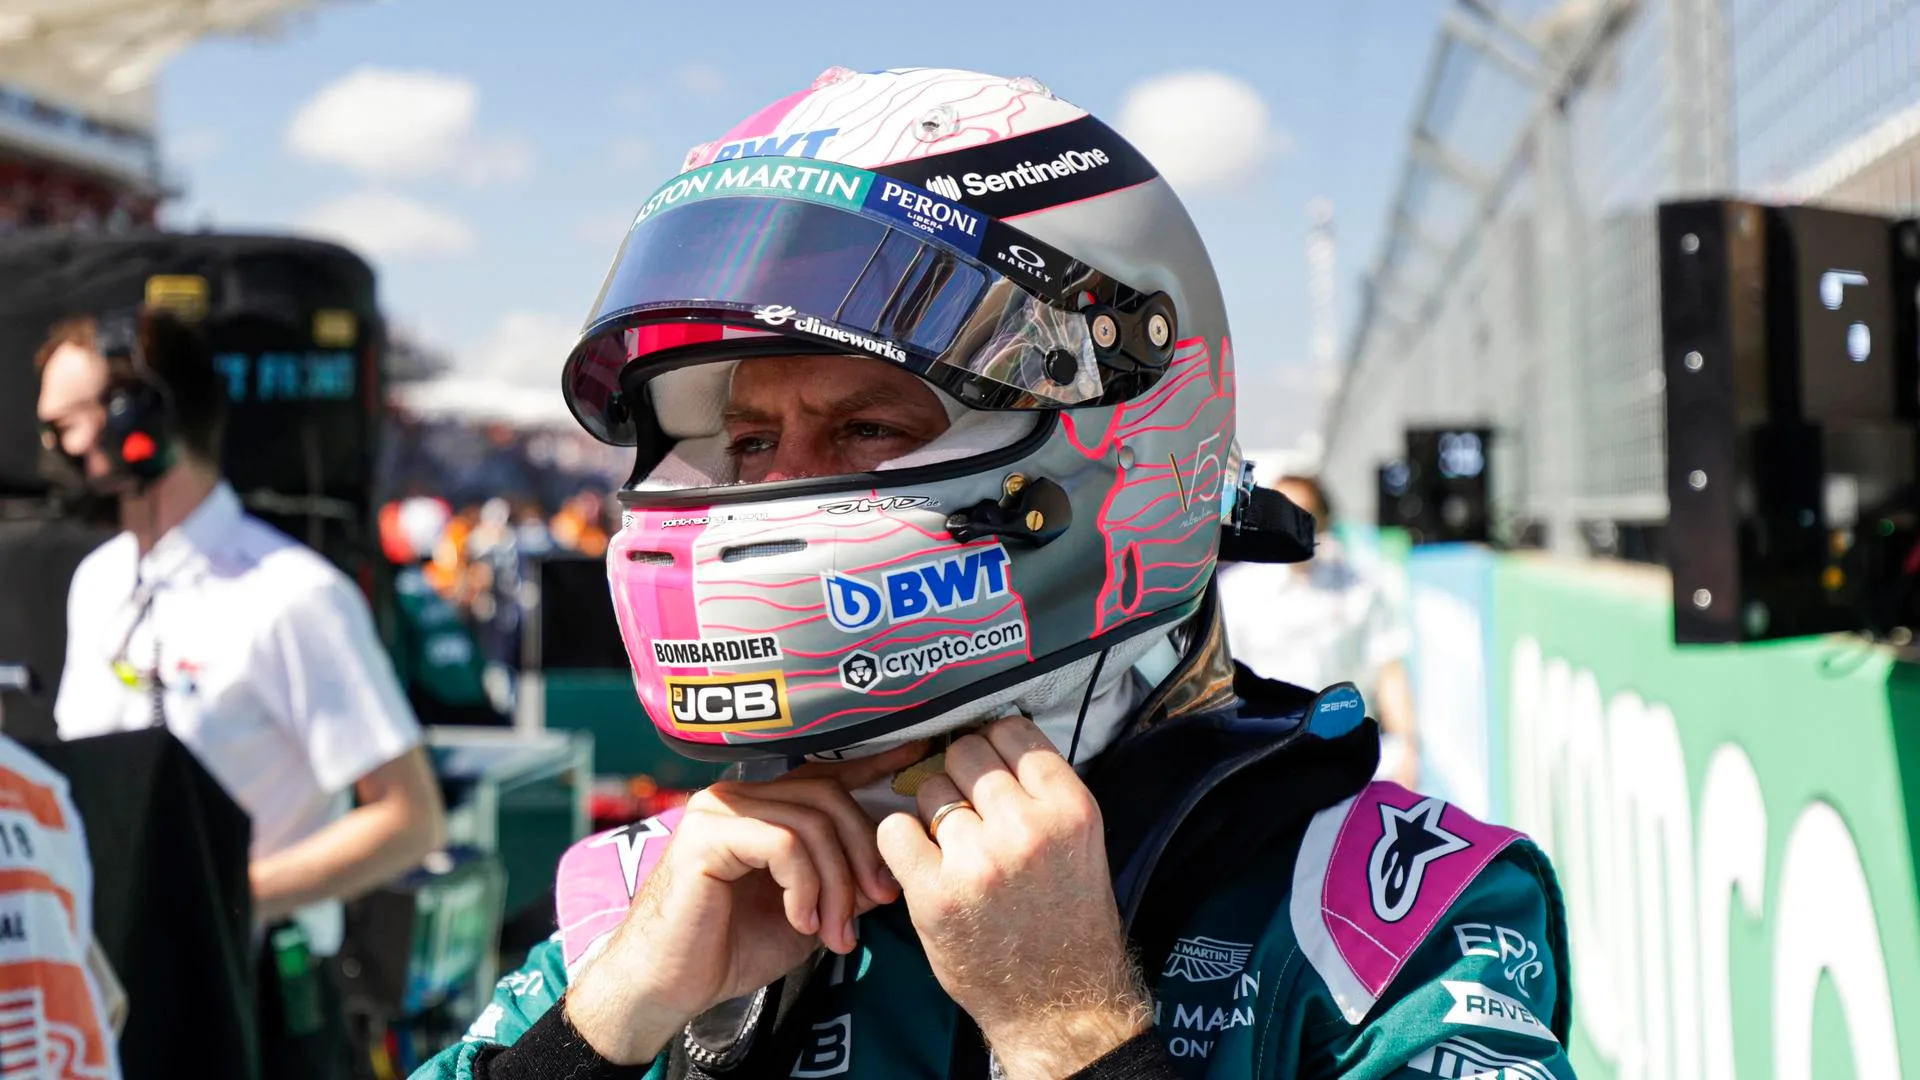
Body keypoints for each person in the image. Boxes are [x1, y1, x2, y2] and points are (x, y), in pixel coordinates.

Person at [416, 67, 1573, 1080]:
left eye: (871, 426)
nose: (772, 492)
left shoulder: (1391, 915)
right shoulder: (645, 904)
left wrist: (1078, 1034)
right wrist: (601, 1034)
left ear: (1118, 436)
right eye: (751, 442)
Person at [34, 307, 447, 1080]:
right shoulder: (97, 583)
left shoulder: (292, 596)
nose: (54, 448)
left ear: (140, 416)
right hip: (108, 984)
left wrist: (226, 894)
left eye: (68, 424)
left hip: (252, 1000)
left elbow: (409, 817)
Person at [1216, 474, 1422, 788]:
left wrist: (1408, 747)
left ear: (1323, 520)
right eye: (1281, 512)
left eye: (1303, 513)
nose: (1290, 524)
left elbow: (1388, 669)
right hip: (1264, 763)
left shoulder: (1360, 588)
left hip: (1346, 758)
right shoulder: (1235, 593)